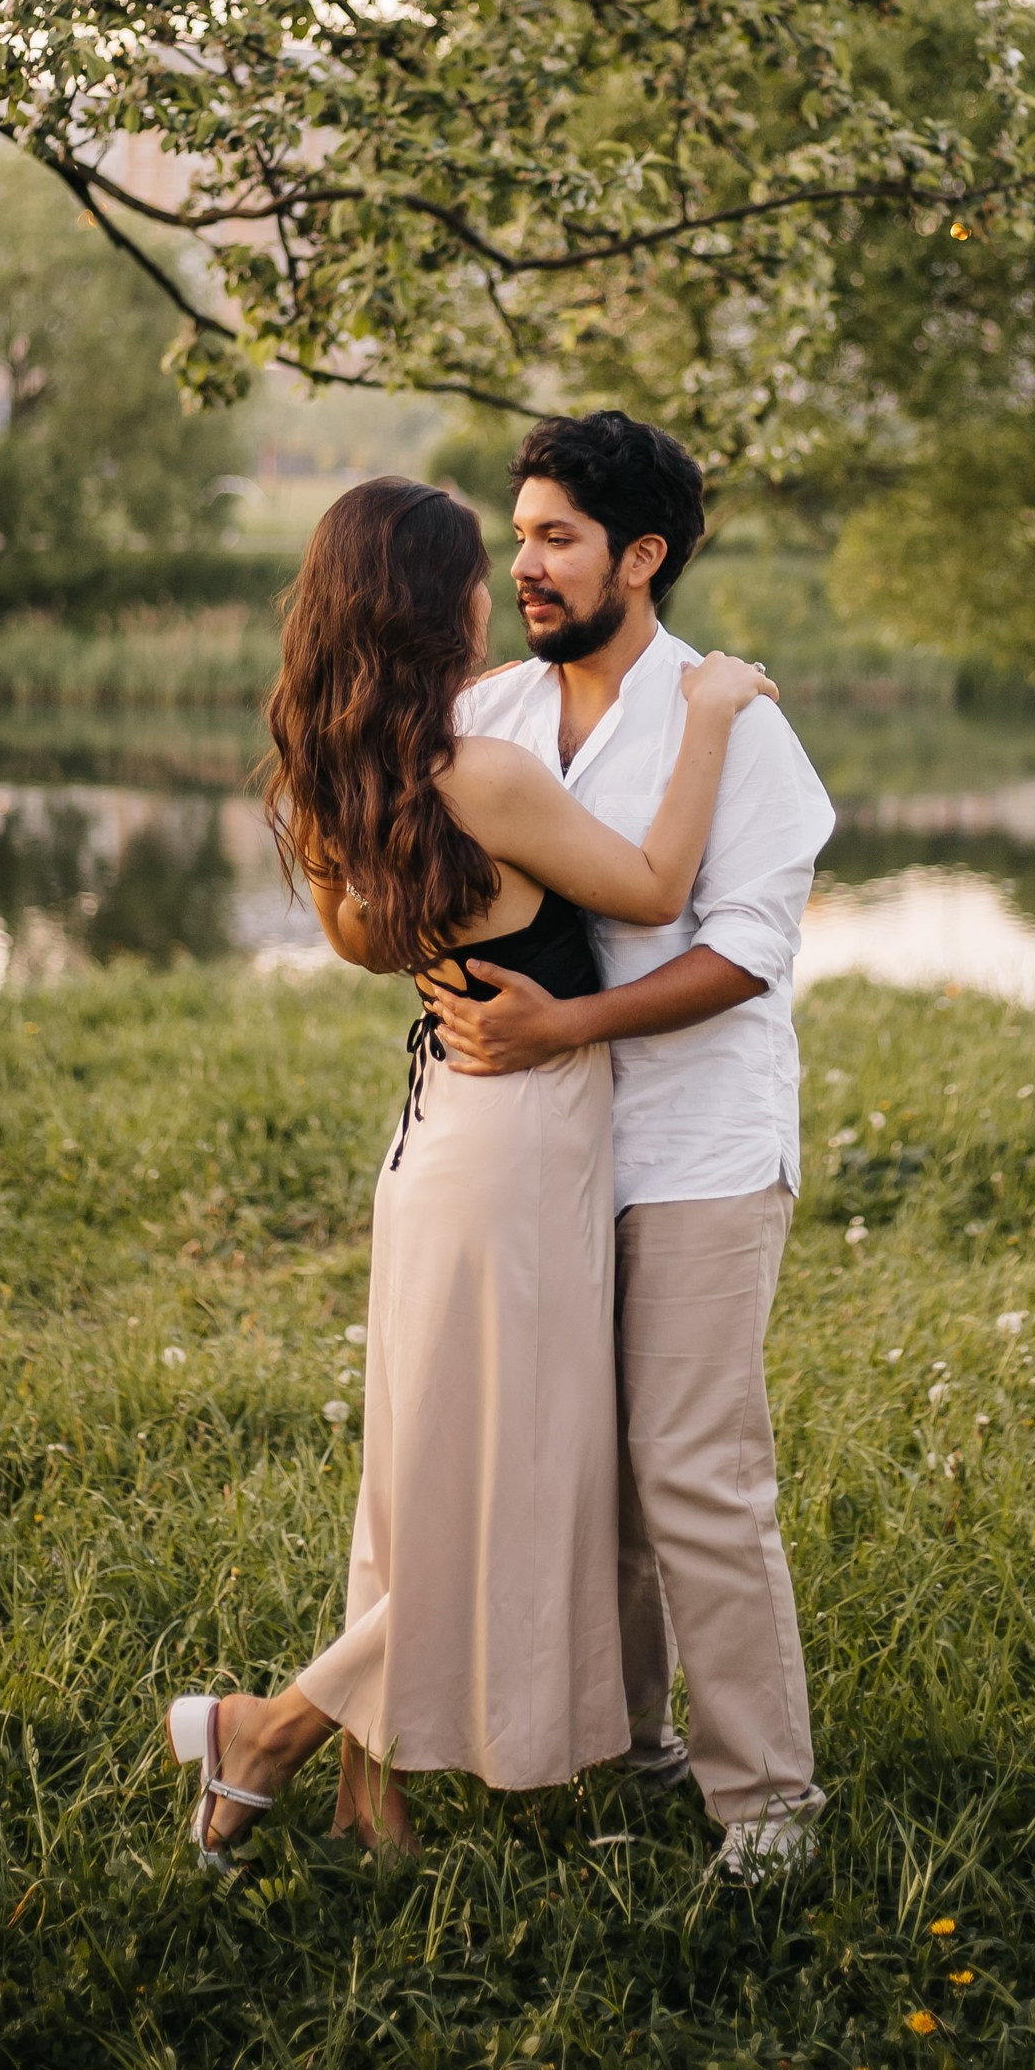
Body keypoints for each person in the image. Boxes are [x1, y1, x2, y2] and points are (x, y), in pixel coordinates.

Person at [165, 475, 776, 1864]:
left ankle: (366, 1803)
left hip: (435, 1136)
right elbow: (657, 889)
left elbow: (360, 949)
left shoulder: (342, 773)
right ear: (437, 599)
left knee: (422, 1479)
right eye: (483, 567)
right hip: (520, 1141)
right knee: (509, 1491)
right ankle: (265, 1730)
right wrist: (709, 713)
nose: (506, 579)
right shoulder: (481, 772)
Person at [426, 412, 835, 1879]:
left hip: (700, 1152)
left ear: (640, 557)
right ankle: (639, 1745)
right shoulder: (493, 717)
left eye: (555, 537)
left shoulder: (735, 721)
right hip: (545, 1154)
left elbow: (743, 952)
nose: (521, 563)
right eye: (517, 531)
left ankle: (770, 1806)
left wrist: (563, 1031)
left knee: (693, 1471)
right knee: (582, 1471)